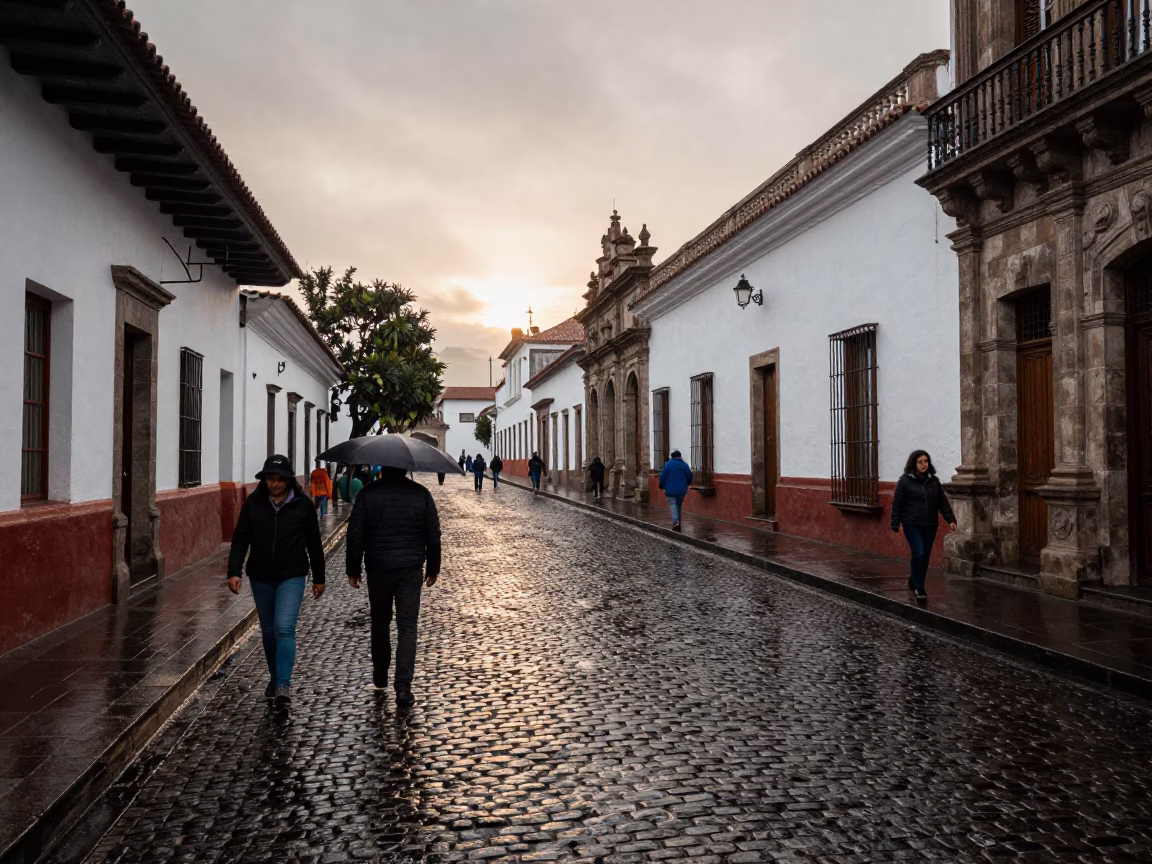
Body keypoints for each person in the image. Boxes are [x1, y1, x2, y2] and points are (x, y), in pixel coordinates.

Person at [227, 454, 326, 708]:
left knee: (284, 628)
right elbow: (240, 538)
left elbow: (314, 543)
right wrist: (234, 571)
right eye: (271, 479)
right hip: (260, 576)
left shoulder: (302, 505)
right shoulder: (254, 503)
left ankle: (283, 683)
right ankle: (275, 678)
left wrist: (319, 577)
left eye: (280, 479)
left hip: (291, 576)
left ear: (289, 480)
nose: (275, 484)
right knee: (269, 632)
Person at [346, 466, 442, 707]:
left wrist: (353, 568)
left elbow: (356, 533)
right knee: (407, 626)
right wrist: (433, 567)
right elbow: (433, 534)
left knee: (380, 622)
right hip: (410, 568)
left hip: (378, 567)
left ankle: (380, 674)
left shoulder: (368, 494)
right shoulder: (421, 494)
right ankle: (403, 687)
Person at [891, 449, 957, 603]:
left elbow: (942, 502)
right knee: (919, 552)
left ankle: (914, 579)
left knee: (925, 555)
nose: (923, 464)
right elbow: (897, 504)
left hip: (930, 524)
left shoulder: (934, 481)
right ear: (913, 463)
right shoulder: (905, 481)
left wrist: (950, 520)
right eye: (920, 462)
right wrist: (895, 523)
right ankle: (920, 587)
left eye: (926, 461)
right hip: (911, 523)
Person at [658, 449, 694, 532]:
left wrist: (661, 485)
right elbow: (690, 476)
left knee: (673, 505)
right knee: (678, 505)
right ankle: (678, 521)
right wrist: (686, 483)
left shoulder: (668, 465)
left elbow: (663, 477)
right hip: (682, 489)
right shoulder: (684, 465)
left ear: (672, 456)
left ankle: (676, 522)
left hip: (670, 489)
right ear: (680, 456)